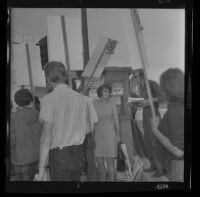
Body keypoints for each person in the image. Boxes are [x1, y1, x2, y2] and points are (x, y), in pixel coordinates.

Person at [34, 61, 97, 181]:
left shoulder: (48, 100)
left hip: (60, 156)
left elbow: (46, 137)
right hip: (79, 155)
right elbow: (90, 129)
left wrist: (41, 169)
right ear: (65, 76)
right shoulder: (84, 99)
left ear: (48, 78)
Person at [151, 68, 184, 182]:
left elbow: (177, 151)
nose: (161, 90)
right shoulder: (179, 106)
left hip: (179, 165)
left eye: (162, 86)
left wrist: (155, 130)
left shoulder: (175, 111)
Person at [131, 69, 165, 178]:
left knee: (154, 142)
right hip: (146, 113)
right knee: (148, 142)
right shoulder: (141, 86)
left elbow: (162, 98)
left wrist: (148, 101)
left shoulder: (152, 84)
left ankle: (160, 169)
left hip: (153, 113)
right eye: (133, 76)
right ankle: (153, 165)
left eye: (135, 76)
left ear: (142, 76)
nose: (134, 78)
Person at [10, 88, 42, 181]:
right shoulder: (39, 114)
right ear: (31, 100)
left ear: (16, 101)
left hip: (20, 160)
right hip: (38, 158)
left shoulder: (13, 118)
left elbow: (11, 141)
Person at [93, 84, 120, 181]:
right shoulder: (94, 103)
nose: (107, 93)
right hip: (97, 136)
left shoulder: (112, 103)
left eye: (108, 91)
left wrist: (118, 135)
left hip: (109, 136)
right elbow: (91, 120)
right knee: (100, 168)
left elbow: (116, 121)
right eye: (105, 91)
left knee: (111, 167)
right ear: (100, 92)